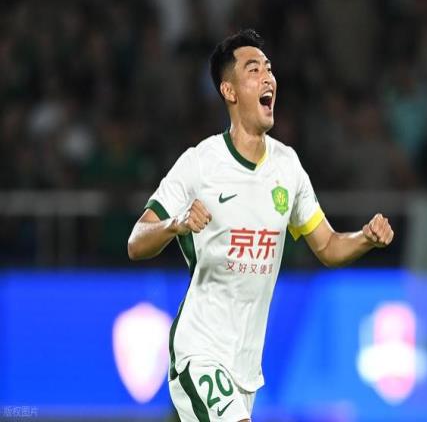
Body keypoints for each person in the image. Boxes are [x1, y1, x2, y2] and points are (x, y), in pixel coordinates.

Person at [127, 29, 394, 422]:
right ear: (229, 91)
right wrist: (175, 223)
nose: (268, 78)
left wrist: (365, 238)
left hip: (246, 369)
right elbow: (136, 241)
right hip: (199, 353)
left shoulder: (288, 167)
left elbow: (328, 246)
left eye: (269, 69)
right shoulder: (200, 163)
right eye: (254, 70)